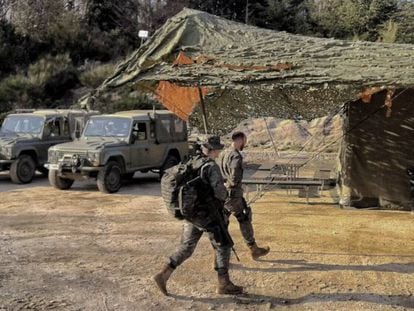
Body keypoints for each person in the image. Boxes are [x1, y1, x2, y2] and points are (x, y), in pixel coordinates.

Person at [153, 136, 243, 296]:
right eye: (218, 150)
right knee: (223, 245)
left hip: (190, 212)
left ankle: (164, 274)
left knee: (187, 246)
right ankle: (224, 284)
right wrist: (225, 189)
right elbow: (221, 195)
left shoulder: (192, 161)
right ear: (214, 150)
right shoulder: (210, 166)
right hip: (206, 213)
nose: (219, 153)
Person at [220, 131, 270, 260]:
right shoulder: (236, 156)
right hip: (233, 195)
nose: (245, 143)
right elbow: (235, 178)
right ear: (240, 139)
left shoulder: (224, 153)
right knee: (244, 219)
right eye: (245, 140)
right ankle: (253, 249)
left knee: (222, 223)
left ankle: (220, 255)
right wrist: (230, 185)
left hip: (223, 194)